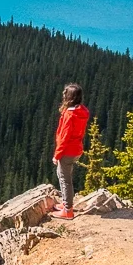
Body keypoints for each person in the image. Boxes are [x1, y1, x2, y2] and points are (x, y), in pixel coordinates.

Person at [51, 83, 89, 219]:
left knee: (65, 179)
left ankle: (68, 210)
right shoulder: (82, 112)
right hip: (77, 149)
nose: (63, 95)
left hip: (67, 151)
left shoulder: (69, 115)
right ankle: (66, 203)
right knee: (64, 176)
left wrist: (57, 155)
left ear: (69, 97)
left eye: (65, 94)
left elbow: (64, 137)